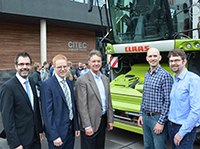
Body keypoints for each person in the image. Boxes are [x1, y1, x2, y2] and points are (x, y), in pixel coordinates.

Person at [0, 51, 44, 149]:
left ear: (31, 66)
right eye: (21, 64)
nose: (24, 67)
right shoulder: (8, 87)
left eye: (27, 64)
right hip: (20, 140)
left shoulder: (32, 83)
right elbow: (7, 119)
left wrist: (40, 130)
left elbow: (35, 110)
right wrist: (14, 143)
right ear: (16, 66)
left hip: (35, 138)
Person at [75, 50, 114, 149]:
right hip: (90, 123)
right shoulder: (82, 80)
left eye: (98, 61)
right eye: (94, 61)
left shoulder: (105, 79)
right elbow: (81, 106)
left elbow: (108, 101)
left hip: (103, 120)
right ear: (89, 62)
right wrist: (87, 126)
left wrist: (110, 120)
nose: (96, 64)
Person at [40, 54, 80, 149]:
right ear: (53, 67)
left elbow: (72, 106)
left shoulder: (69, 83)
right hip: (57, 133)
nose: (63, 69)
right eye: (59, 67)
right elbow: (47, 113)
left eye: (65, 66)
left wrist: (76, 126)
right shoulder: (47, 85)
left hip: (70, 130)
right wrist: (54, 136)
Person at [137, 47, 173, 149]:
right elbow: (144, 96)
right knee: (148, 146)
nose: (153, 58)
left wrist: (161, 122)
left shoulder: (165, 76)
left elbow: (168, 102)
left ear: (160, 57)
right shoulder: (147, 74)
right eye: (150, 56)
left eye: (155, 56)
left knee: (159, 147)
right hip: (146, 117)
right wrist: (141, 115)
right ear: (147, 58)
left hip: (157, 118)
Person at [167, 49, 200, 149]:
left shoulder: (193, 80)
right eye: (171, 61)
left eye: (177, 60)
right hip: (171, 126)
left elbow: (196, 110)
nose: (173, 63)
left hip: (184, 129)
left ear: (184, 61)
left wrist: (181, 133)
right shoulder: (175, 80)